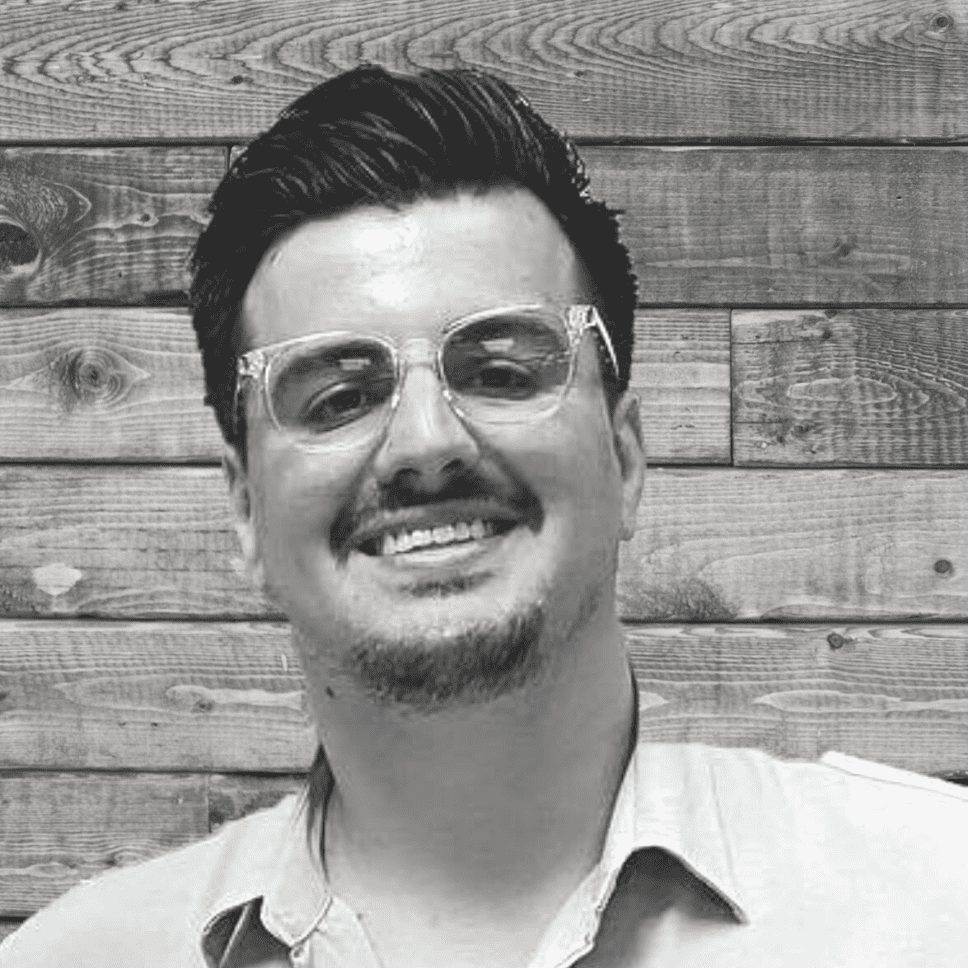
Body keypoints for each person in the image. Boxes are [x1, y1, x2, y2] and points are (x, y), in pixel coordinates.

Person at [4, 65, 968, 968]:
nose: (426, 440)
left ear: (626, 456)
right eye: (337, 396)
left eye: (502, 370)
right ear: (248, 508)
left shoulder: (936, 896)